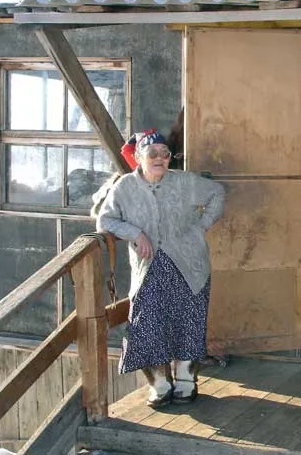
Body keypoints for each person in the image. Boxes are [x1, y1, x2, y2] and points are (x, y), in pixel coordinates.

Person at [96, 128, 225, 408]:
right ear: (140, 157)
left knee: (188, 322)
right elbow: (105, 220)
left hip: (189, 265)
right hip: (149, 267)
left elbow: (217, 193)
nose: (159, 159)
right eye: (152, 154)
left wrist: (200, 227)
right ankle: (159, 384)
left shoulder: (184, 182)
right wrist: (135, 233)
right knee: (146, 325)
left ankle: (186, 382)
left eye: (164, 154)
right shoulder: (125, 188)